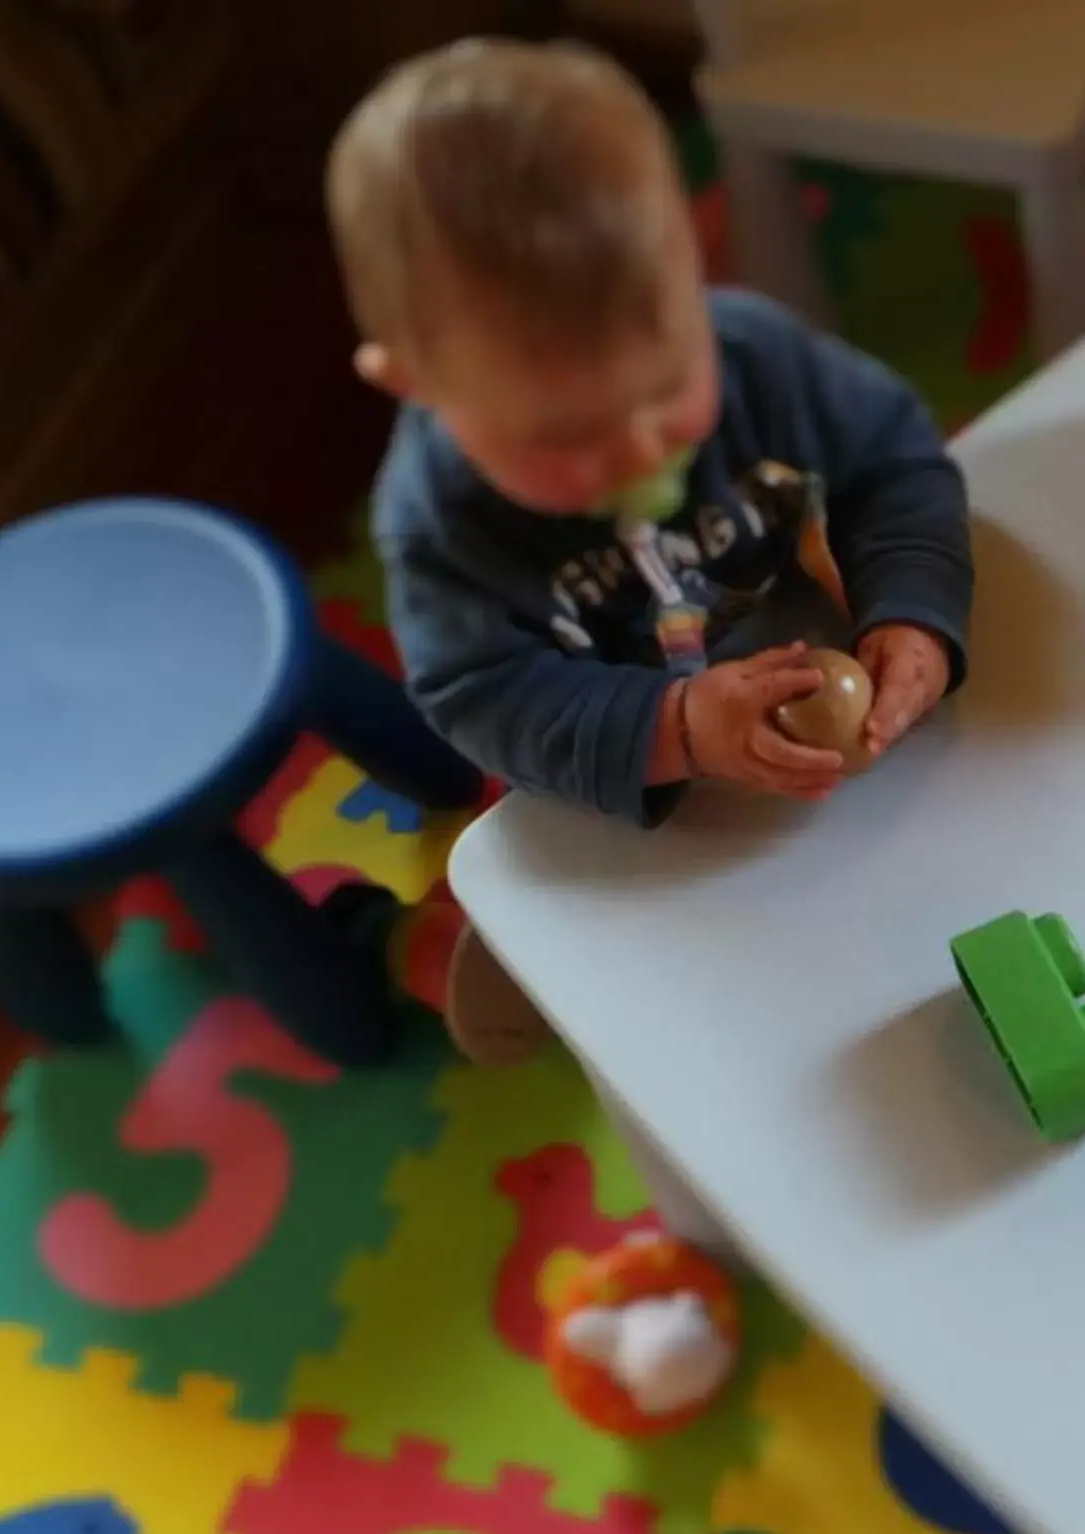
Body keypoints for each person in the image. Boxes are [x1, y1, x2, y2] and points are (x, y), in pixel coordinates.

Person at [326, 37, 972, 1060]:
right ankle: (441, 945)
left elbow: (894, 458)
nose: (640, 451)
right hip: (614, 771)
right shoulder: (441, 522)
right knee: (673, 1018)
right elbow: (477, 695)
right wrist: (673, 725)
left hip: (798, 711)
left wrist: (911, 606)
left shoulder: (758, 357)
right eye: (564, 439)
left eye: (670, 384)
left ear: (693, 258)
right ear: (416, 386)